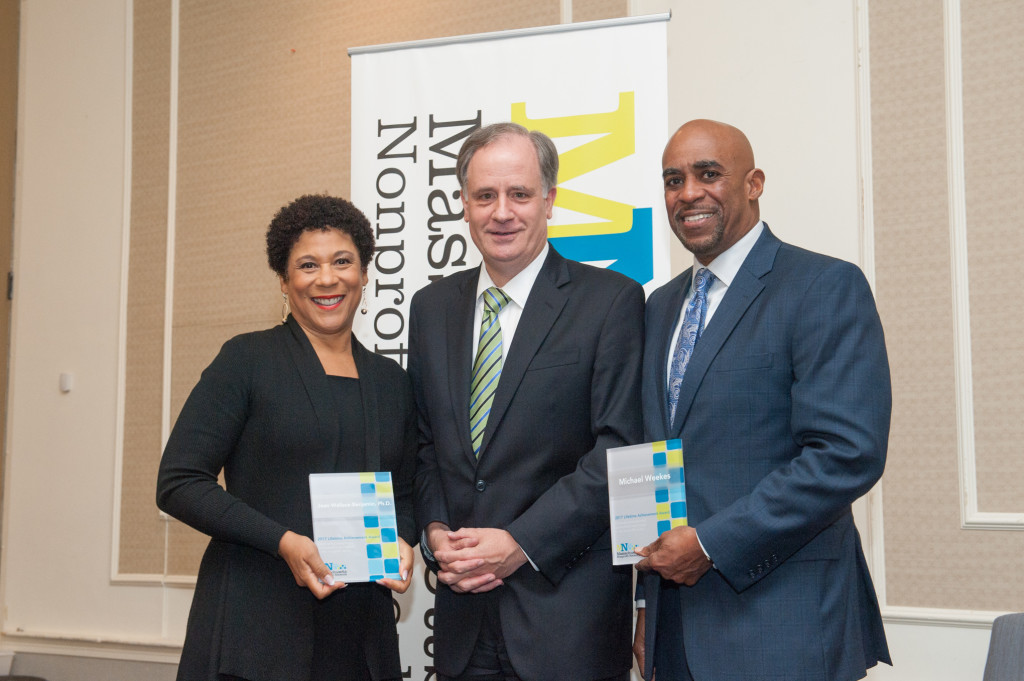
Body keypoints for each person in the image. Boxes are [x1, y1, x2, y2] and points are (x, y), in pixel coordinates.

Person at [633, 120, 892, 681]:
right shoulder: (659, 306)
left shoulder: (823, 286)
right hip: (674, 630)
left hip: (784, 625)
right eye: (674, 180)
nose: (689, 193)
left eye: (709, 174)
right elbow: (655, 455)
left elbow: (846, 454)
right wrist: (644, 602)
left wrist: (710, 544)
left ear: (754, 184)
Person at [408, 122, 644, 681]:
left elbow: (620, 452)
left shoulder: (611, 301)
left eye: (519, 194)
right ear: (463, 204)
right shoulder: (430, 307)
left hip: (567, 621)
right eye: (484, 196)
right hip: (463, 621)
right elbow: (423, 444)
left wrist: (520, 542)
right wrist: (435, 531)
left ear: (549, 200)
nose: (502, 213)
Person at [157, 194, 417, 681]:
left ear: (364, 273)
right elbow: (179, 482)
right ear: (283, 279)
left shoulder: (392, 382)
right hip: (257, 626)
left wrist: (403, 538)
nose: (327, 278)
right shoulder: (246, 361)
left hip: (360, 635)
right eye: (307, 265)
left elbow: (405, 490)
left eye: (342, 261)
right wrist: (282, 542)